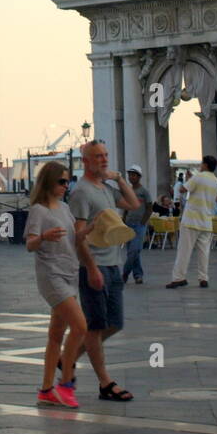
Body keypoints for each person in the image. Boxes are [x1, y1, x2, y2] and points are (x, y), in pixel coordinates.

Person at [67, 141, 140, 401]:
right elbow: (79, 235)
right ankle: (105, 383)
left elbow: (134, 204)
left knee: (114, 324)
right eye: (98, 156)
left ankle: (68, 359)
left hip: (113, 263)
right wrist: (90, 268)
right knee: (96, 327)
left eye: (106, 155)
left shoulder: (107, 188)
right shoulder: (81, 192)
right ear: (85, 161)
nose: (104, 160)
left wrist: (119, 178)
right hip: (95, 265)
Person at [26, 162, 85, 408]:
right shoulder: (39, 211)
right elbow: (29, 244)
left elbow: (75, 236)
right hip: (51, 275)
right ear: (49, 182)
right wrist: (43, 237)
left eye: (68, 181)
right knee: (81, 326)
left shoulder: (64, 208)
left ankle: (46, 389)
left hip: (70, 272)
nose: (66, 185)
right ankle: (66, 382)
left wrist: (95, 227)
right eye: (61, 181)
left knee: (55, 335)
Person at [167, 155, 217, 289]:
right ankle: (203, 278)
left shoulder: (199, 177)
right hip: (206, 221)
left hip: (192, 219)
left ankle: (179, 277)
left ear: (206, 165)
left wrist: (189, 178)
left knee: (184, 250)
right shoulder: (215, 181)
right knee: (204, 252)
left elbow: (182, 189)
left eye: (202, 163)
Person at [121, 164, 153, 285]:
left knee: (134, 251)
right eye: (130, 175)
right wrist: (123, 221)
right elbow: (125, 207)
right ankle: (138, 275)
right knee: (134, 252)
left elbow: (149, 207)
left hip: (139, 225)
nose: (131, 177)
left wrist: (143, 222)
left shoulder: (144, 192)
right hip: (128, 224)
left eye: (134, 175)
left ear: (139, 177)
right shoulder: (128, 191)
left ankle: (124, 273)